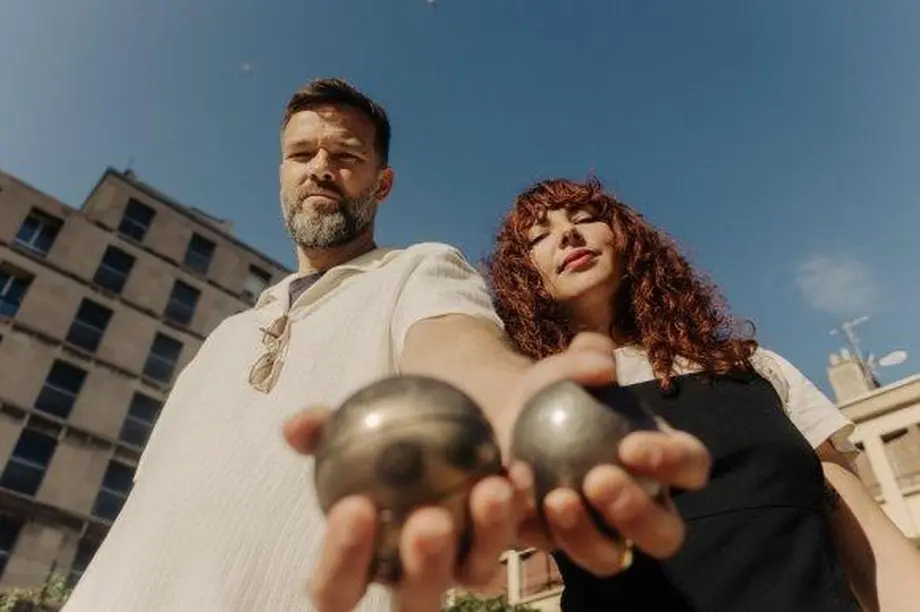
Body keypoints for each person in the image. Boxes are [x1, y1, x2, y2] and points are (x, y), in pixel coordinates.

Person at [63, 80, 710, 612]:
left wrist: (512, 398)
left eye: (346, 156)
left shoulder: (417, 269)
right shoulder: (223, 336)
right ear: (282, 173)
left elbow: (455, 344)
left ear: (382, 183)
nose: (321, 168)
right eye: (302, 153)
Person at [484, 175, 920, 611]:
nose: (568, 234)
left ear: (625, 238)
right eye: (539, 236)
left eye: (583, 218)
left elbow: (874, 550)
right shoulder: (535, 401)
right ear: (525, 277)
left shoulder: (756, 367)